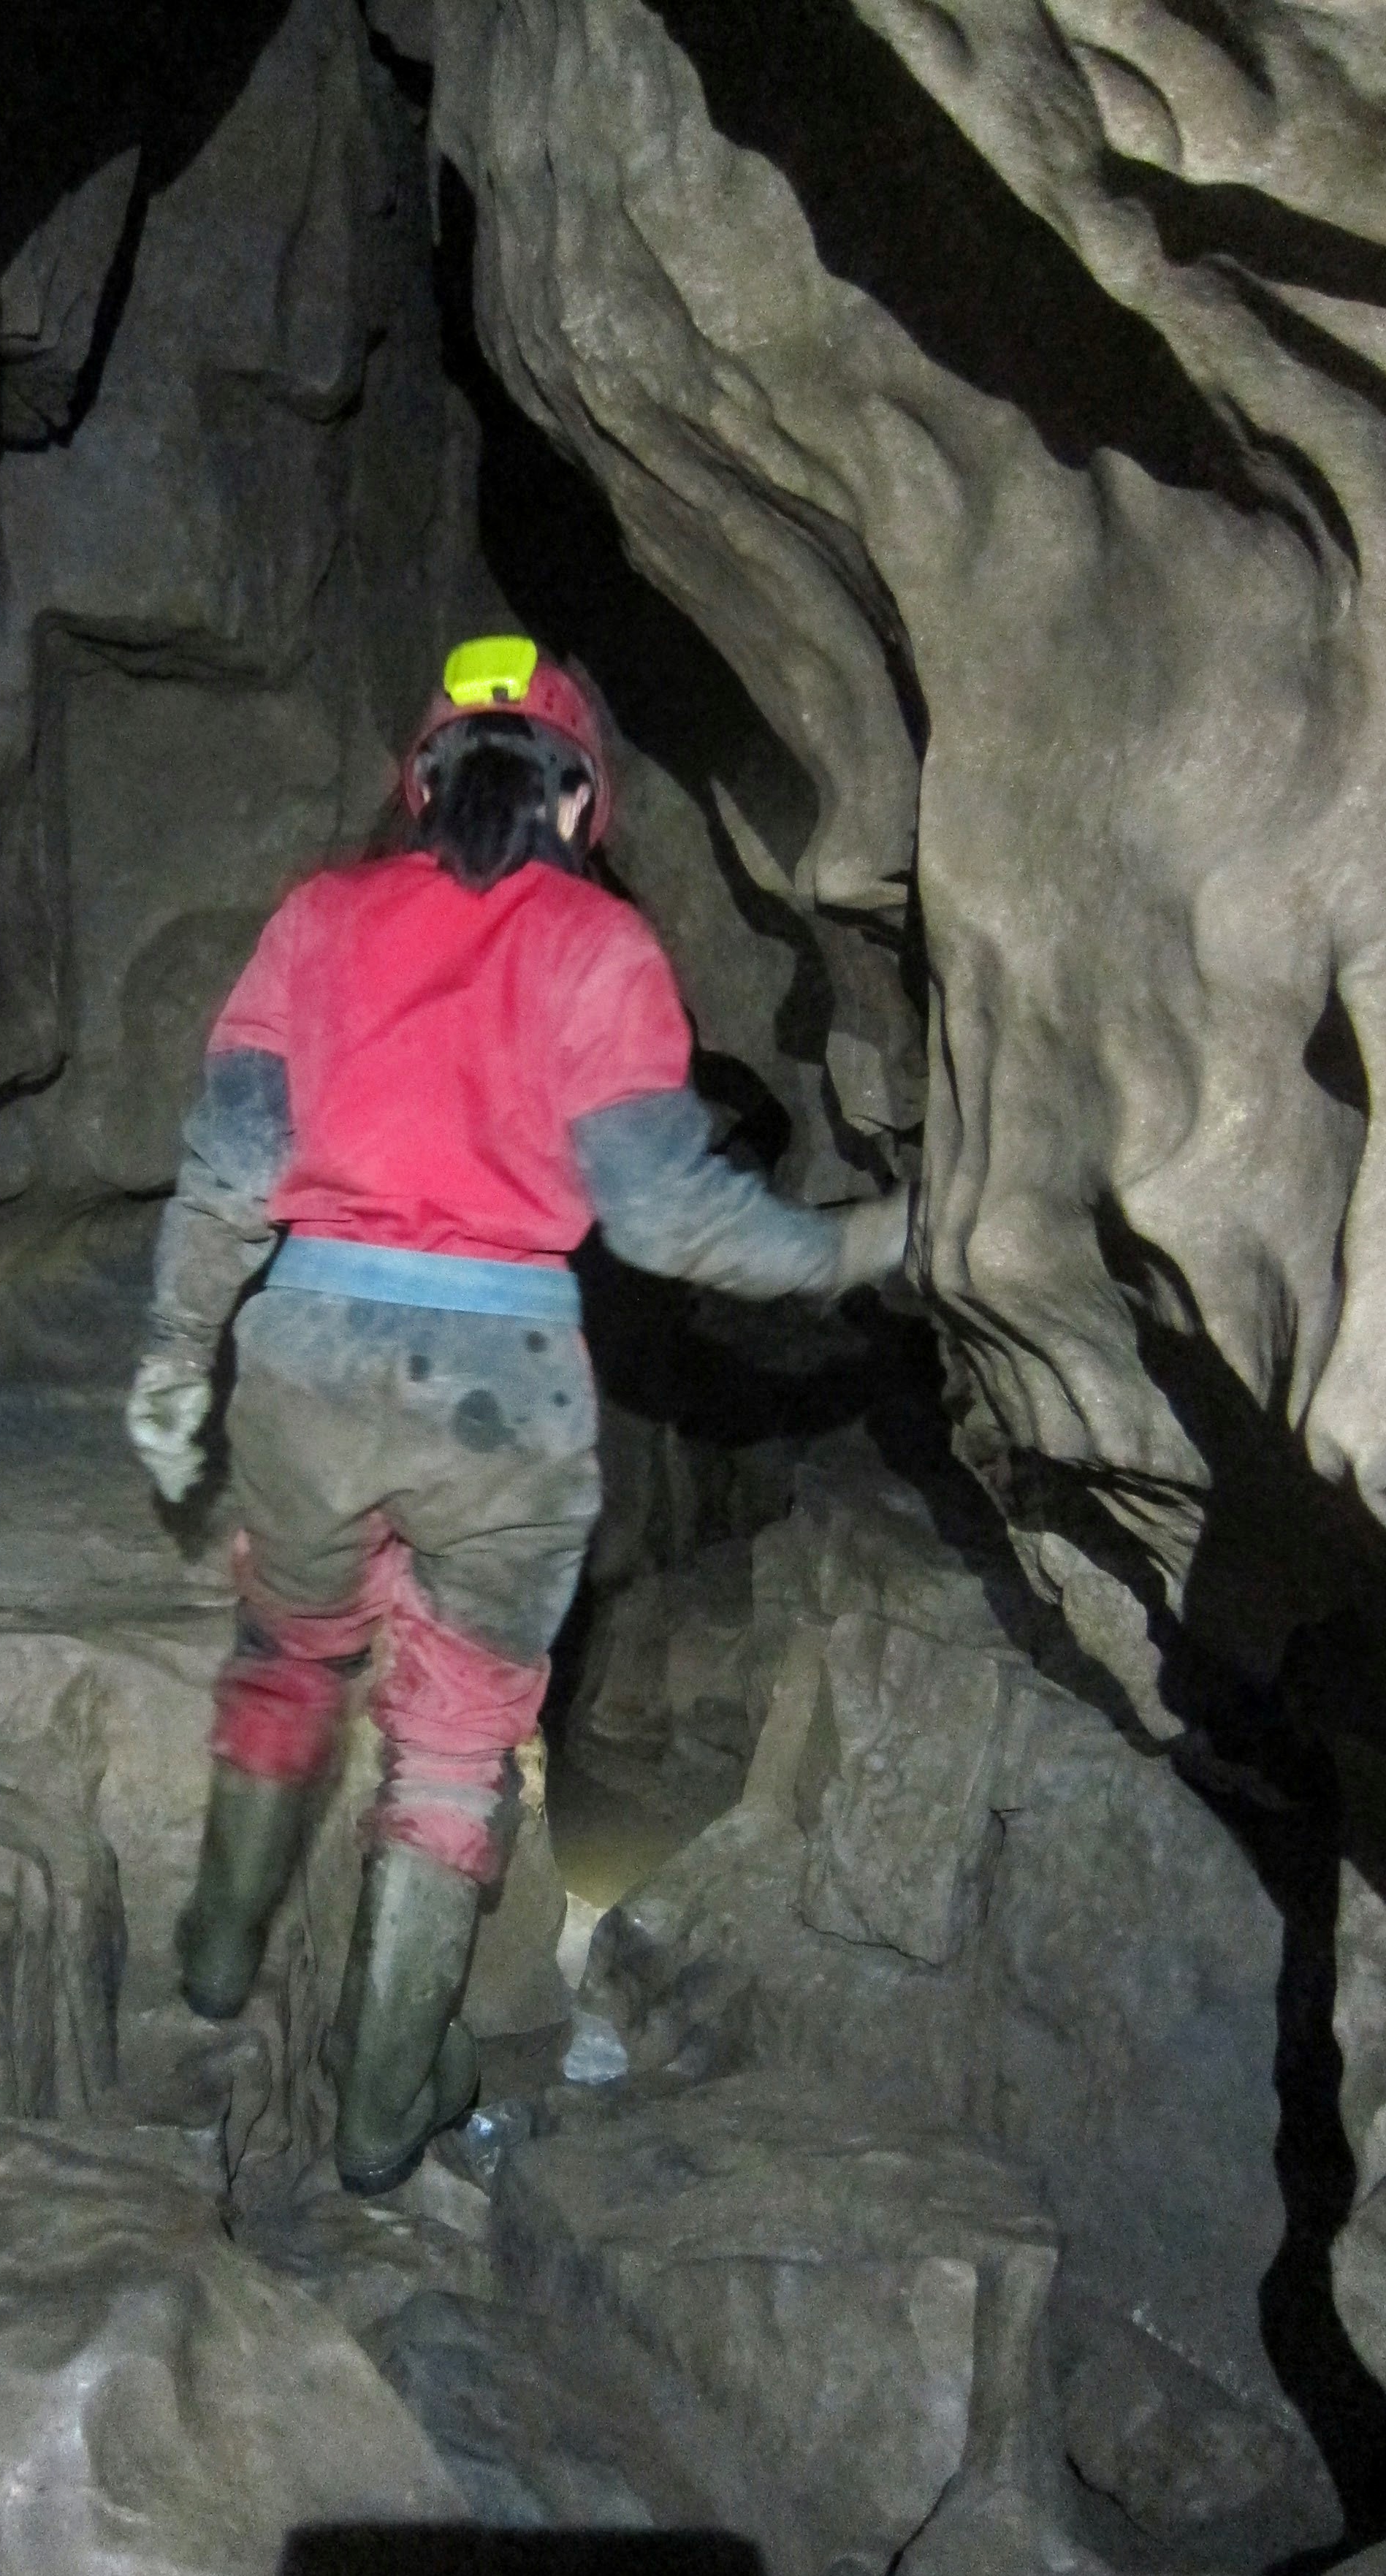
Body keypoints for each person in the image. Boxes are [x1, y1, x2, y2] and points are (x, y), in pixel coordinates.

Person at [126, 635, 910, 2193]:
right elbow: (670, 1219)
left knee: (291, 1642)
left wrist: (171, 1356)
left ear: (425, 784)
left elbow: (225, 1170)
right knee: (453, 1741)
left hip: (311, 1349)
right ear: (575, 802)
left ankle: (217, 1951)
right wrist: (863, 1244)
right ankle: (385, 2101)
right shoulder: (599, 947)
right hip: (509, 1382)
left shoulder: (316, 918)